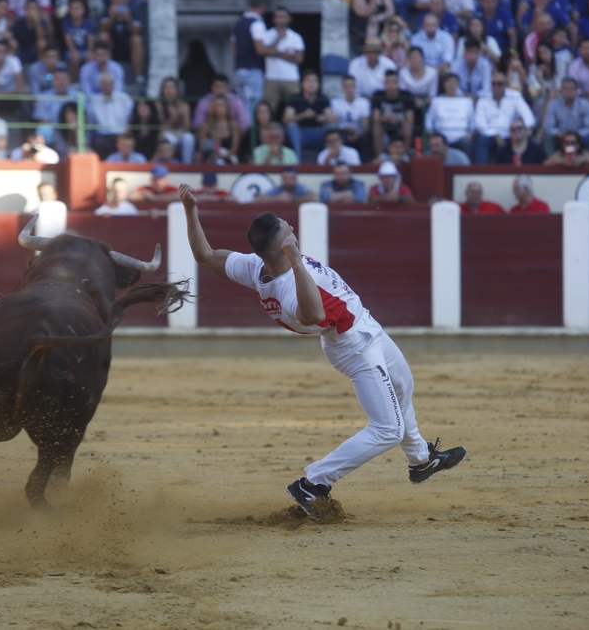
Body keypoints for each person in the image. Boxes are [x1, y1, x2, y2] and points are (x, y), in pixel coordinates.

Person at [178, 182, 465, 516]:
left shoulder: (256, 267)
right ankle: (314, 483)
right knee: (387, 429)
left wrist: (190, 209)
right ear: (280, 246)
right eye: (288, 230)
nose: (293, 230)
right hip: (353, 344)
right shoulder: (287, 286)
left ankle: (421, 459)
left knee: (403, 384)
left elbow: (206, 256)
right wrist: (297, 261)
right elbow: (313, 313)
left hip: (365, 327)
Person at [473, 71, 535, 163]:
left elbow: (528, 116)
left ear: (506, 85)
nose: (496, 87)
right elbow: (480, 122)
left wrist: (528, 128)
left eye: (499, 84)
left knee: (524, 139)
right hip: (491, 135)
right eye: (493, 84)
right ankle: (479, 172)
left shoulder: (514, 95)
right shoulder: (483, 99)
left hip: (512, 134)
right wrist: (495, 135)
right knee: (481, 140)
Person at [283, 70, 335, 160]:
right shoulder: (294, 98)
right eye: (308, 81)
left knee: (330, 127)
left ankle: (328, 160)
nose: (311, 84)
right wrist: (303, 115)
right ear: (302, 84)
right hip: (301, 135)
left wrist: (324, 118)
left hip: (319, 135)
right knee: (292, 127)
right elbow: (286, 120)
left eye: (314, 81)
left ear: (318, 84)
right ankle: (297, 162)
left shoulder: (323, 98)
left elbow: (334, 120)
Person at [262, 7, 305, 109]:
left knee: (295, 108)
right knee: (269, 109)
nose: (280, 20)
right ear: (274, 19)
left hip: (291, 79)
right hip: (271, 78)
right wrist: (279, 39)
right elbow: (264, 52)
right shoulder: (267, 35)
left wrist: (275, 53)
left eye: (283, 17)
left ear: (289, 19)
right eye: (277, 17)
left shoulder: (296, 37)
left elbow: (299, 59)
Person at [231, 0, 268, 114]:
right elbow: (260, 49)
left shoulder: (237, 24)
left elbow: (234, 49)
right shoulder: (257, 23)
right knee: (253, 103)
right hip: (252, 69)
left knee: (241, 103)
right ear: (263, 7)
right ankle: (249, 131)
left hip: (239, 69)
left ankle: (243, 130)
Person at [425, 73, 474, 156]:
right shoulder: (437, 100)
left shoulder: (467, 101)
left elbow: (472, 121)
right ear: (444, 84)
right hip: (440, 137)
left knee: (467, 144)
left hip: (461, 137)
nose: (451, 85)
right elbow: (429, 119)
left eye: (454, 82)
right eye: (449, 82)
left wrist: (469, 134)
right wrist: (431, 133)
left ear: (458, 85)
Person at [543, 77, 589, 153]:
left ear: (576, 91)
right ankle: (549, 163)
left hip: (579, 138)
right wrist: (560, 134)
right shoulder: (554, 104)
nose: (568, 91)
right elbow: (548, 127)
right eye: (566, 89)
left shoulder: (585, 104)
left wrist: (576, 135)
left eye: (571, 89)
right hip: (560, 137)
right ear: (561, 91)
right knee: (548, 138)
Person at [100, 0, 143, 81]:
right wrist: (112, 17)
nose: (119, 1)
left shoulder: (132, 11)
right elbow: (103, 28)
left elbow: (137, 30)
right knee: (104, 36)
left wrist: (128, 20)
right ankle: (106, 73)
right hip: (112, 47)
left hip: (128, 48)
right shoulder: (107, 11)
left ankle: (138, 76)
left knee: (137, 39)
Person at [88, 72, 134, 158]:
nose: (107, 86)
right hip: (102, 136)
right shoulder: (94, 101)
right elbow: (91, 122)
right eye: (104, 84)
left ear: (114, 84)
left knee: (124, 143)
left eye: (110, 83)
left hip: (120, 134)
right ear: (100, 85)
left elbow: (130, 119)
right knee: (98, 143)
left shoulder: (124, 99)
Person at [370, 70, 415, 157]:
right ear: (384, 83)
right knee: (376, 127)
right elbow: (376, 119)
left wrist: (397, 118)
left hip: (400, 128)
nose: (391, 85)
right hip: (385, 127)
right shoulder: (378, 95)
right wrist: (385, 118)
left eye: (394, 81)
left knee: (408, 127)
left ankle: (404, 156)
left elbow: (410, 121)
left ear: (398, 82)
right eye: (388, 82)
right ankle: (381, 157)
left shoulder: (406, 95)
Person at [155, 77, 195, 164]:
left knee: (189, 138)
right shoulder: (159, 104)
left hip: (180, 133)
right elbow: (162, 126)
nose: (169, 91)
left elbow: (187, 126)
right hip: (167, 133)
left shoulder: (184, 105)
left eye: (171, 88)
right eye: (166, 88)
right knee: (168, 137)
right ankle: (170, 163)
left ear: (177, 90)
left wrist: (179, 134)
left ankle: (186, 165)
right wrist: (175, 115)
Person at [195, 95, 240, 164]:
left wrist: (222, 156)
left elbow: (234, 149)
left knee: (220, 162)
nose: (219, 108)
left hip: (228, 158)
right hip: (210, 159)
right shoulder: (206, 126)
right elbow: (202, 147)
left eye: (221, 105)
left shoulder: (234, 125)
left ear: (227, 107)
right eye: (216, 105)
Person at [61, 0, 95, 82]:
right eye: (73, 8)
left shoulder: (88, 23)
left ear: (83, 10)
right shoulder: (66, 23)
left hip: (85, 49)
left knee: (90, 57)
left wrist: (90, 51)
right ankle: (73, 82)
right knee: (75, 57)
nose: (75, 11)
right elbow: (68, 39)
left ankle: (87, 82)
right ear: (69, 11)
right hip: (71, 50)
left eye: (78, 8)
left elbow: (90, 39)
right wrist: (73, 51)